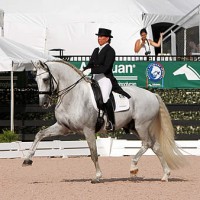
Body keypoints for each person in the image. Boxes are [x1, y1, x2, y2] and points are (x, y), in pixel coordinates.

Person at [83, 28, 130, 131]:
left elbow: (106, 68)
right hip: (94, 78)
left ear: (107, 38)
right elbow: (90, 64)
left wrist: (91, 70)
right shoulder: (96, 50)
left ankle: (111, 122)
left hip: (105, 78)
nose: (99, 38)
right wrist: (84, 70)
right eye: (98, 36)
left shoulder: (110, 51)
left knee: (104, 97)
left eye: (101, 37)